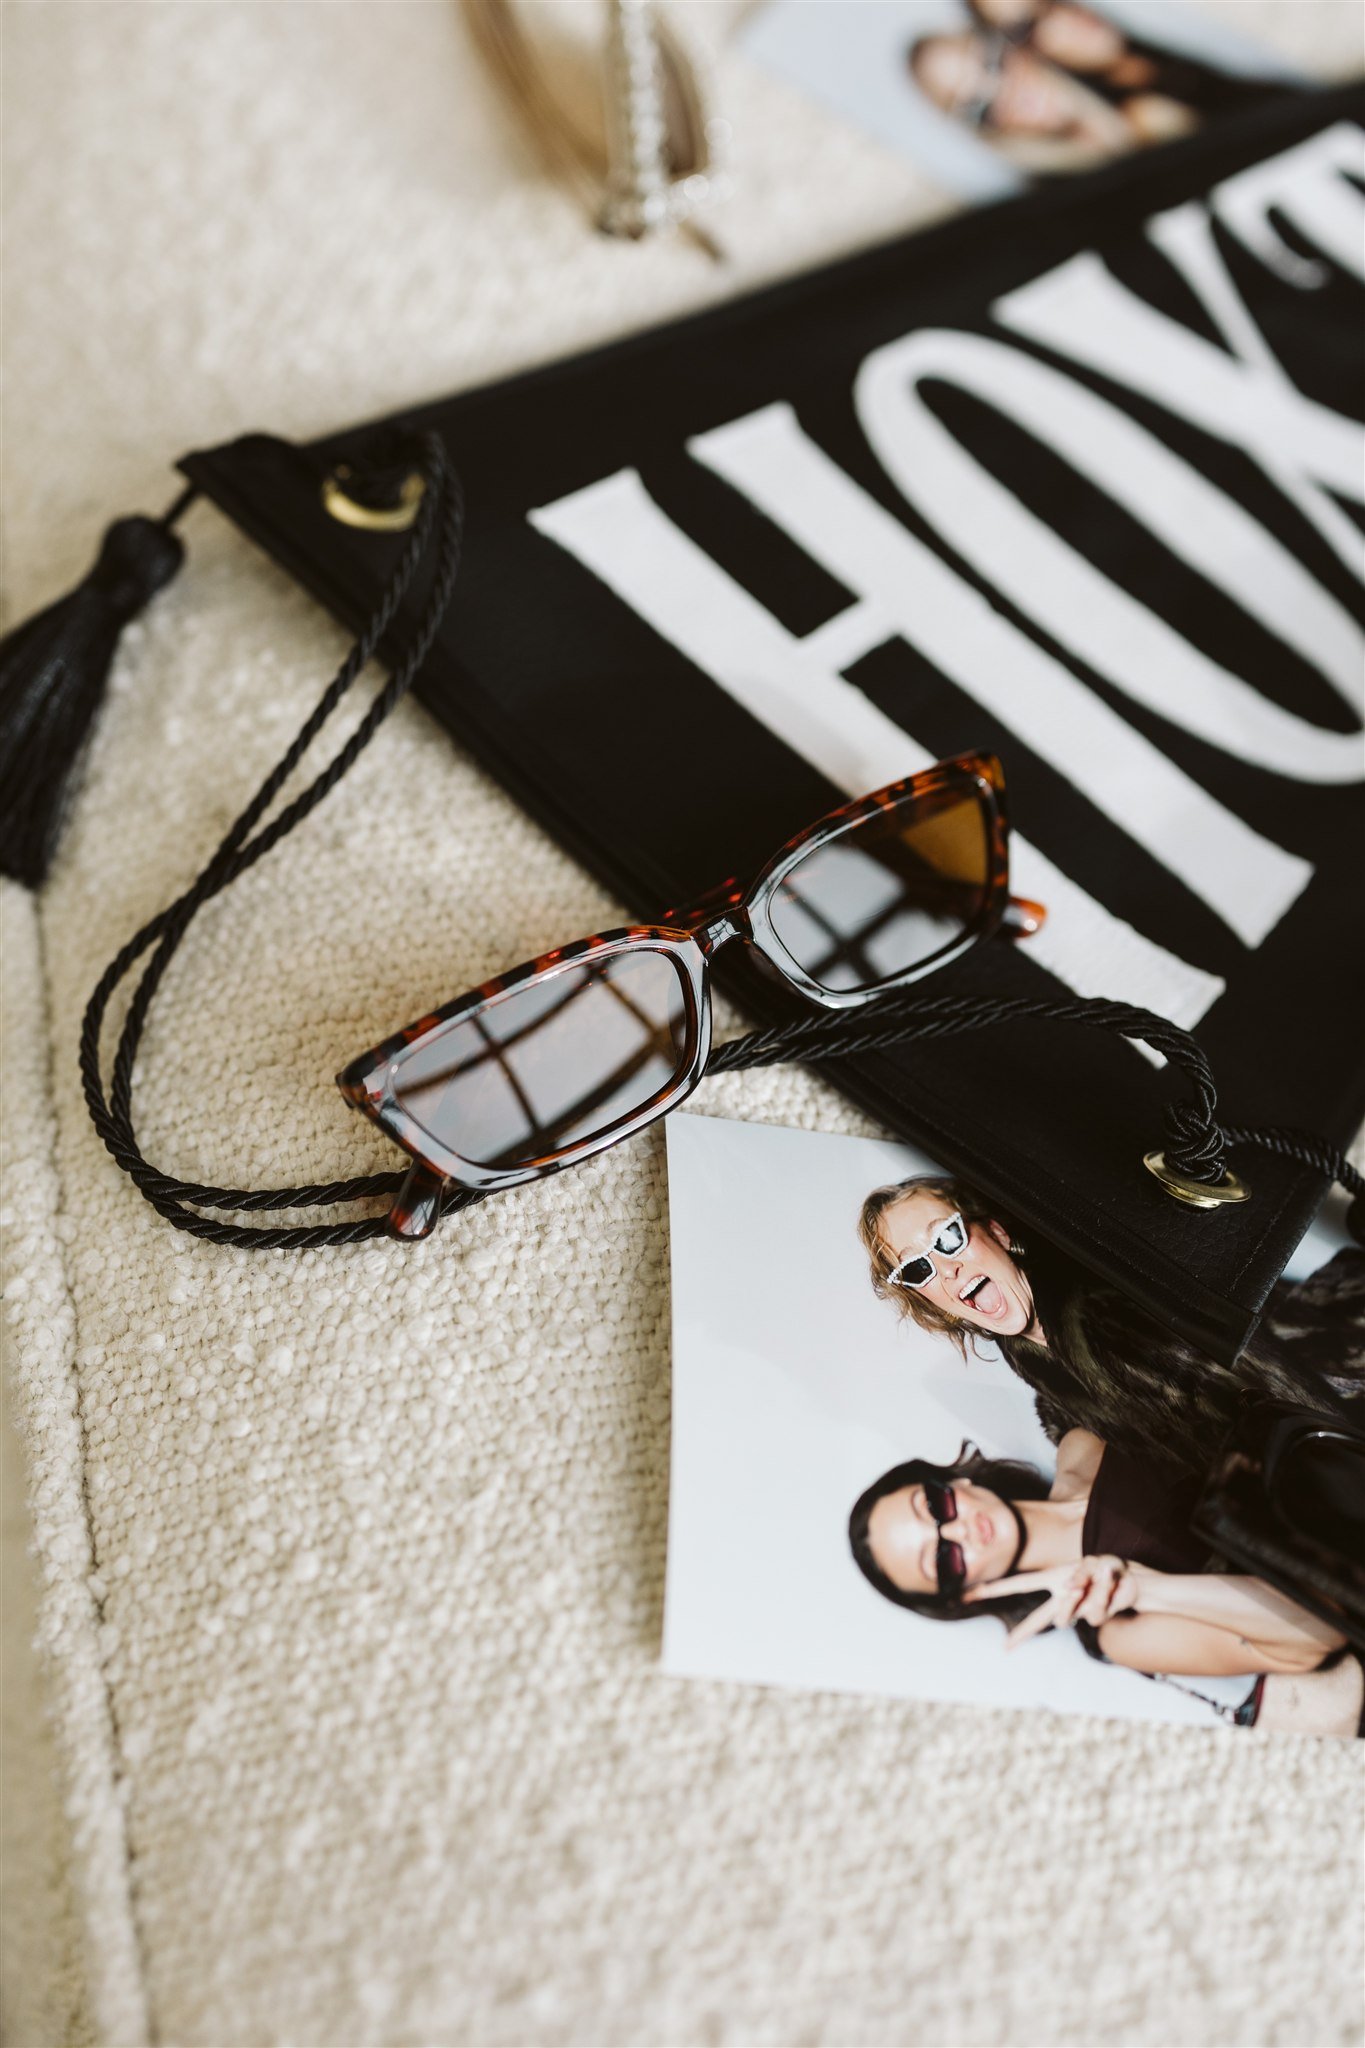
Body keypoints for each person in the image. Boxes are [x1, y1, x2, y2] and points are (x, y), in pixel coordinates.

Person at [848, 1432, 1364, 1737]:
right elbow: (1317, 1632)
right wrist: (1143, 1589)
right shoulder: (1115, 1630)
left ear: (954, 1481)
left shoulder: (1081, 1443)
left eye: (936, 1506)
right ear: (962, 1595)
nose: (958, 1530)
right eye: (943, 1558)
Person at [856, 1171, 1365, 1479]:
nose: (945, 1269)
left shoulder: (1099, 1309)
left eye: (946, 1238)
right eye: (918, 1268)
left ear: (997, 1231)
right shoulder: (1027, 1349)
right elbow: (1072, 1407)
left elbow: (1282, 1399)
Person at [908, 0, 1286, 177]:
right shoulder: (1058, 198)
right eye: (977, 103)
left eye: (993, 62)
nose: (1005, 91)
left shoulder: (1153, 87)